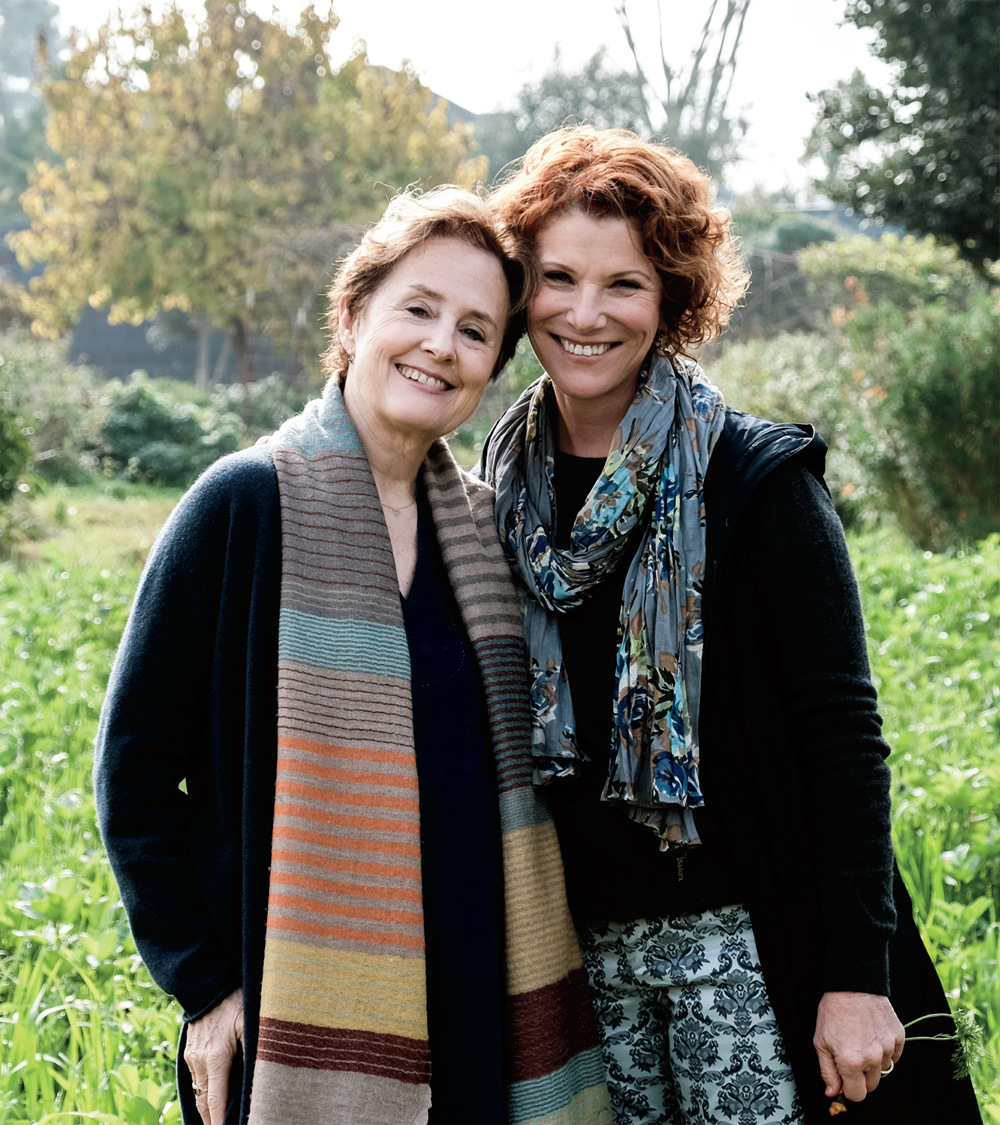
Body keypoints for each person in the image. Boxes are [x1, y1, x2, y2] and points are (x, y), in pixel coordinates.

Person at [482, 127, 982, 1125]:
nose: (585, 314)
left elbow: (842, 742)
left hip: (753, 946)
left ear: (671, 297)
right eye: (556, 279)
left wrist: (857, 973)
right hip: (571, 962)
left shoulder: (755, 481)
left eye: (623, 284)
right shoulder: (487, 498)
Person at [94, 186, 613, 1125]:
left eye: (474, 329)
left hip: (477, 995)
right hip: (294, 1010)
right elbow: (131, 773)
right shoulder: (243, 506)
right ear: (353, 312)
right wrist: (206, 987)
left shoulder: (488, 530)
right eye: (417, 308)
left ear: (493, 363)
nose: (439, 345)